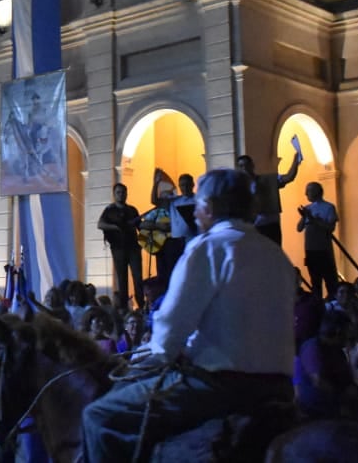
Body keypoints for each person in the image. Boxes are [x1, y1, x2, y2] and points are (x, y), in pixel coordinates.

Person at [81, 168, 294, 462]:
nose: (194, 214)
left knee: (99, 415)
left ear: (208, 207)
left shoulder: (206, 249)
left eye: (198, 206)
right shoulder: (277, 255)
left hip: (217, 387)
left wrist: (142, 360)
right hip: (280, 387)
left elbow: (169, 335)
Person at [97, 183, 144, 311]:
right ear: (114, 194)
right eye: (118, 192)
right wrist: (116, 227)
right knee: (122, 279)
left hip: (133, 247)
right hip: (118, 248)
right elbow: (100, 224)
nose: (121, 195)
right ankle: (124, 308)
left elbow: (141, 227)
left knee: (138, 278)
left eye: (123, 192)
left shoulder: (132, 210)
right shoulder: (109, 210)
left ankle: (141, 305)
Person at [238, 151, 301, 245]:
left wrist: (295, 161)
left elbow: (289, 177)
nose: (244, 168)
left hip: (270, 225)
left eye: (246, 165)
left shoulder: (267, 180)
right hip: (252, 227)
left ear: (252, 165)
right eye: (241, 166)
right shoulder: (239, 186)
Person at [296, 181, 339, 301]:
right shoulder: (308, 208)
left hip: (324, 250)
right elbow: (299, 228)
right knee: (315, 282)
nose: (306, 193)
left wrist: (312, 219)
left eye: (308, 190)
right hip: (311, 251)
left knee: (330, 281)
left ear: (317, 191)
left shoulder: (329, 207)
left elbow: (330, 227)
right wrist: (304, 217)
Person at [160, 173, 197, 276]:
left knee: (192, 271)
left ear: (192, 185)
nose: (184, 188)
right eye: (182, 185)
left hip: (193, 241)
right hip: (176, 242)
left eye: (187, 185)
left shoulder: (198, 200)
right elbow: (158, 198)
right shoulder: (175, 200)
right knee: (177, 272)